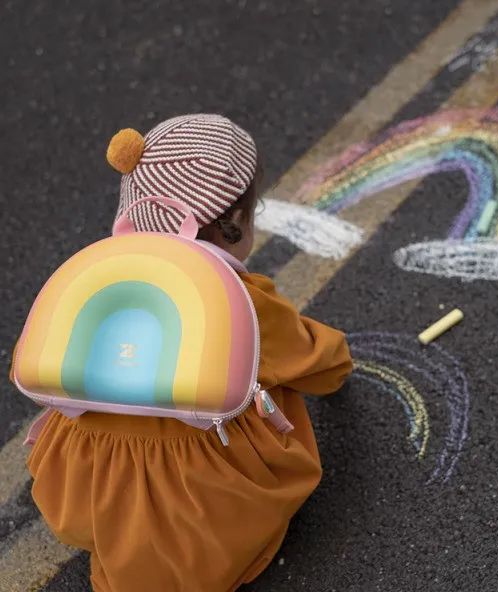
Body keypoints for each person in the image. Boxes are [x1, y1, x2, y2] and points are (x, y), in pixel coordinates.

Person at [19, 114, 353, 591]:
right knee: (270, 379)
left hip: (85, 489)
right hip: (201, 500)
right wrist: (338, 364)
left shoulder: (93, 277)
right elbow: (313, 361)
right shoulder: (236, 299)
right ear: (234, 223)